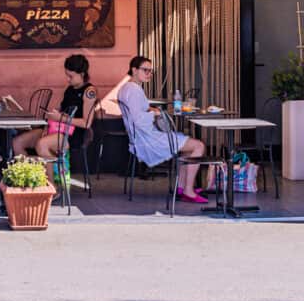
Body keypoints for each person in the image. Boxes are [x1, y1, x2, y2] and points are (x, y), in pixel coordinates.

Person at [118, 55, 210, 204]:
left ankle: (181, 187)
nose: (148, 74)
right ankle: (188, 191)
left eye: (150, 71)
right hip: (148, 139)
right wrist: (154, 113)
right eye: (145, 70)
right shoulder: (134, 91)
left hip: (139, 138)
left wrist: (150, 109)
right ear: (134, 70)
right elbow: (138, 120)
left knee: (187, 147)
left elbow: (138, 110)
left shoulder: (127, 88)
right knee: (198, 146)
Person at [12, 54, 97, 162]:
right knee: (17, 142)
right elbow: (62, 110)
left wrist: (60, 118)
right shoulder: (70, 89)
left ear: (82, 74)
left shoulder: (89, 92)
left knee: (42, 144)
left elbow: (86, 123)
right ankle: (28, 176)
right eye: (66, 75)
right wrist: (51, 120)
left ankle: (54, 176)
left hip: (74, 134)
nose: (67, 79)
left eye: (71, 76)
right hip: (57, 128)